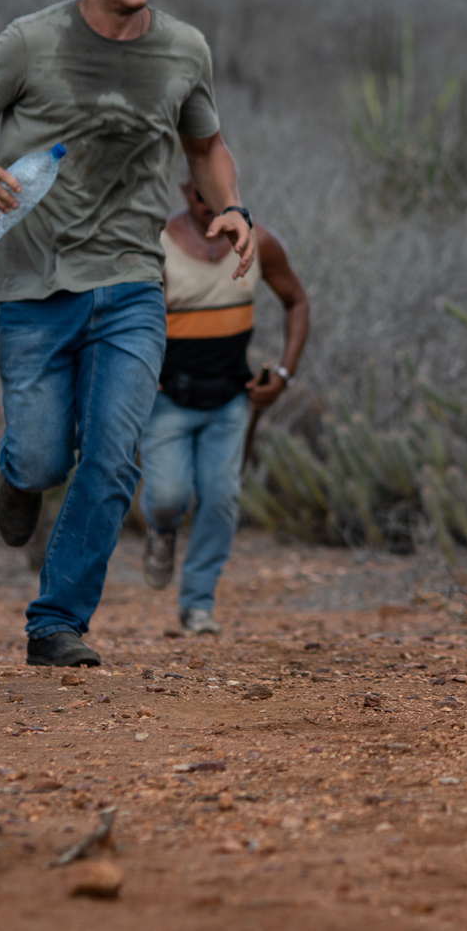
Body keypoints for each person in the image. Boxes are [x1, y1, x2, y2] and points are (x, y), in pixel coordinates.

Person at [0, 0, 255, 668]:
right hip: (34, 288)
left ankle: (57, 623)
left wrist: (233, 205)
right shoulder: (29, 43)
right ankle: (19, 479)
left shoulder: (183, 49)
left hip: (132, 286)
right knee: (44, 459)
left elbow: (206, 146)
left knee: (113, 456)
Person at [140, 173, 309, 634]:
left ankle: (197, 604)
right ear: (184, 192)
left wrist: (284, 374)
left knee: (220, 498)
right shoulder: (158, 244)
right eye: (200, 195)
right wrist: (137, 372)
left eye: (218, 196)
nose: (208, 204)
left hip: (232, 398)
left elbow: (296, 300)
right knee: (168, 494)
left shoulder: (260, 244)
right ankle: (161, 529)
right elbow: (127, 314)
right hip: (168, 397)